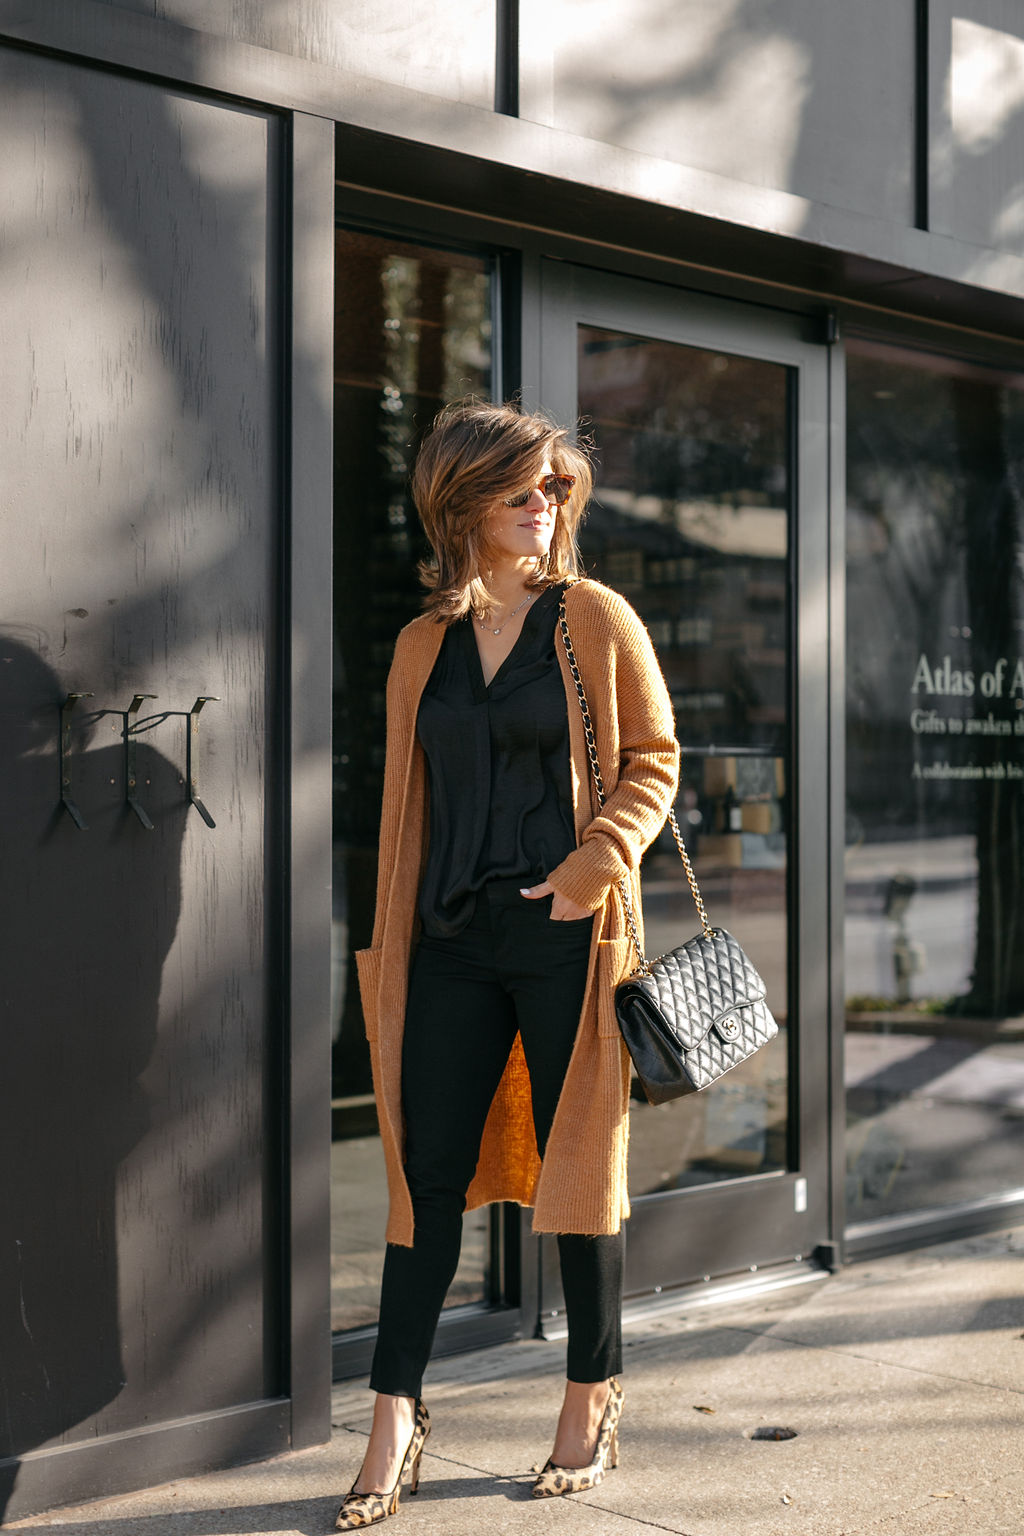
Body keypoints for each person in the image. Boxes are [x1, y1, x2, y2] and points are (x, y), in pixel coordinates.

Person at [336, 400, 679, 1530]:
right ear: (463, 506)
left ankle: (589, 1391)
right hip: (447, 937)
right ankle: (395, 1414)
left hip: (564, 937)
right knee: (423, 1177)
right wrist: (393, 936)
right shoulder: (420, 646)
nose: (546, 509)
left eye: (554, 491)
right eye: (522, 492)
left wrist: (593, 866)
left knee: (580, 1173)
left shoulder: (590, 617)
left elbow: (653, 759)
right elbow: (404, 808)